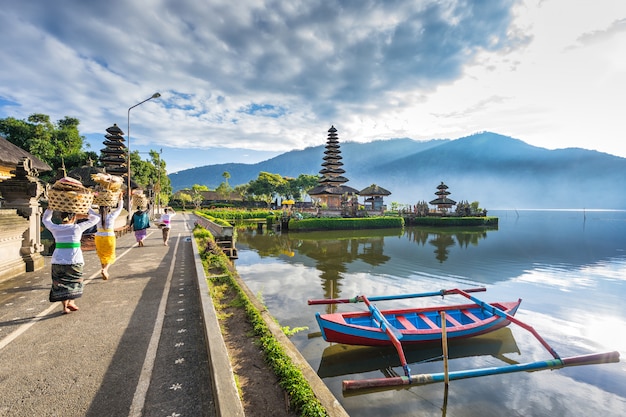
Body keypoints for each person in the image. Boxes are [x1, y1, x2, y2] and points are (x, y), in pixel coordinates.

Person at [42, 207, 100, 315]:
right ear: (74, 217)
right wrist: (85, 213)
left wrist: (50, 209)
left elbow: (45, 220)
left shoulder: (55, 228)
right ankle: (71, 302)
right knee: (74, 282)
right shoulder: (77, 228)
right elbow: (96, 218)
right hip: (74, 259)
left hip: (58, 259)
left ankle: (65, 307)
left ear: (60, 217)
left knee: (61, 283)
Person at [94, 194, 124, 280]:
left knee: (102, 254)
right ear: (109, 209)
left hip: (99, 237)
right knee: (110, 255)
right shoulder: (112, 216)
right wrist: (120, 199)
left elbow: (89, 210)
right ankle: (105, 269)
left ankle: (103, 269)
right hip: (109, 237)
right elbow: (119, 208)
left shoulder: (97, 216)